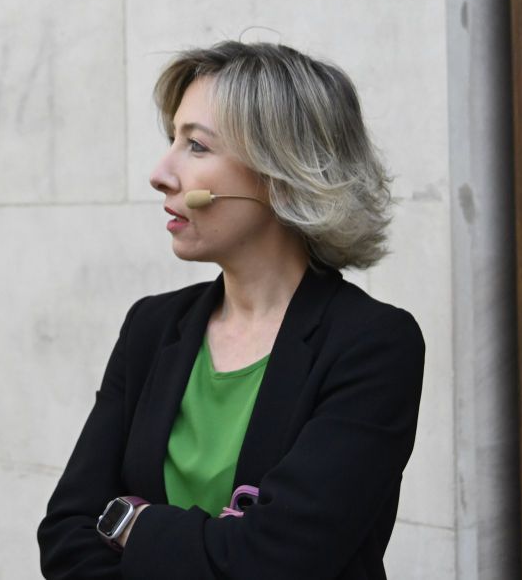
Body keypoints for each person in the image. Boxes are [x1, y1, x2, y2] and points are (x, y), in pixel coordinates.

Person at [37, 41, 424, 579]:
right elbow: (65, 536)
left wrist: (132, 525)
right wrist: (214, 541)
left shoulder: (373, 344)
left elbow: (277, 561)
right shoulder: (151, 327)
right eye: (172, 139)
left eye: (196, 146)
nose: (161, 173)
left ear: (282, 173)